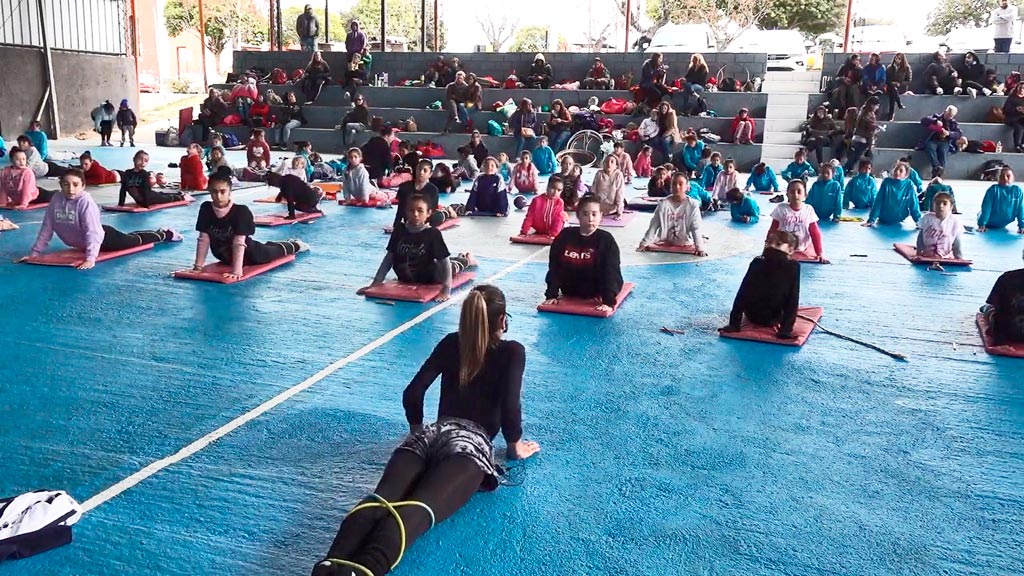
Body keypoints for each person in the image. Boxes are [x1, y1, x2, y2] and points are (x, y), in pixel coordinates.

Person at [312, 283, 539, 576]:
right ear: (502, 320)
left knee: (380, 498)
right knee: (417, 510)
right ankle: (365, 570)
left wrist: (416, 430)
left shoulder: (449, 342)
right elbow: (510, 407)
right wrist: (514, 446)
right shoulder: (512, 351)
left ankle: (331, 562)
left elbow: (414, 392)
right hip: (469, 446)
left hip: (431, 434)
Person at [22, 168, 181, 270]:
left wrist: (91, 258)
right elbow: (47, 228)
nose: (71, 189)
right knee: (130, 236)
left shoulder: (85, 202)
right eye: (66, 184)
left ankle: (165, 234)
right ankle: (158, 233)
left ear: (83, 186)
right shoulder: (56, 199)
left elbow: (93, 232)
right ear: (61, 185)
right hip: (87, 241)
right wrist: (34, 254)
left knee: (135, 240)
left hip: (105, 239)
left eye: (76, 185)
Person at [192, 171, 308, 280]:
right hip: (224, 256)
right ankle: (272, 245)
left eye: (223, 191)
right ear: (209, 190)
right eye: (214, 191)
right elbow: (203, 239)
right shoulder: (206, 208)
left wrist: (237, 272)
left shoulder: (241, 211)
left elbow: (239, 243)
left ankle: (296, 244)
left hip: (252, 255)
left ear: (230, 191)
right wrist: (198, 267)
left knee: (275, 252)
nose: (218, 196)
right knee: (268, 247)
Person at [360, 196, 475, 301]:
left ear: (428, 213)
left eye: (420, 211)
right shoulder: (399, 230)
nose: (415, 214)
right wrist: (376, 283)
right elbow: (389, 258)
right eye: (411, 210)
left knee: (451, 267)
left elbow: (444, 261)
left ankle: (466, 259)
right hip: (405, 278)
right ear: (406, 212)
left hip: (431, 277)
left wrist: (446, 289)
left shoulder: (432, 234)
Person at [544, 196, 624, 313]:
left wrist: (608, 301)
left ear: (601, 216)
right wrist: (551, 294)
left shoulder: (606, 241)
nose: (590, 218)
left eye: (594, 214)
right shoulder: (564, 236)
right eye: (586, 214)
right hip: (570, 290)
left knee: (611, 274)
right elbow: (555, 267)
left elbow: (611, 272)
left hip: (597, 290)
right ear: (578, 215)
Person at [719, 230, 801, 340]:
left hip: (775, 317)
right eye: (768, 242)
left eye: (778, 244)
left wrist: (786, 330)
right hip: (753, 314)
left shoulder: (793, 267)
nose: (771, 246)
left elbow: (793, 299)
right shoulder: (757, 263)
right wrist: (734, 324)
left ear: (790, 250)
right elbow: (742, 293)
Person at [638, 173, 706, 255]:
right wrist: (644, 243)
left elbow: (696, 228)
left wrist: (700, 248)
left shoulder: (692, 205)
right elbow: (654, 225)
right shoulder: (663, 204)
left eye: (680, 184)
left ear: (687, 187)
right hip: (666, 241)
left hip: (686, 242)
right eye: (674, 184)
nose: (677, 187)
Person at [769, 179, 828, 263]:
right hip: (783, 248)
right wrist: (767, 249)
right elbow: (773, 230)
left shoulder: (808, 210)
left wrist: (820, 253)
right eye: (792, 192)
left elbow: (815, 233)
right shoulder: (781, 209)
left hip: (802, 248)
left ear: (805, 195)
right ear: (787, 194)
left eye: (799, 191)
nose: (795, 195)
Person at [120, 150, 188, 208]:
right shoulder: (127, 173)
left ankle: (179, 196)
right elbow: (123, 189)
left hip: (150, 198)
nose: (143, 162)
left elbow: (146, 191)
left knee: (165, 199)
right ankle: (169, 194)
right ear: (134, 159)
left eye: (146, 161)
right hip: (142, 199)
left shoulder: (144, 174)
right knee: (159, 194)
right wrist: (121, 203)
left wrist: (146, 205)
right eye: (140, 159)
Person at [982, 253, 1024, 345]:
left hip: (1014, 329)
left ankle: (987, 307)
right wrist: (1000, 343)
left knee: (992, 307)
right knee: (991, 310)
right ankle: (986, 308)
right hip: (1013, 331)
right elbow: (1000, 313)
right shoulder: (1008, 279)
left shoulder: (1007, 278)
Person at [863, 163, 922, 227]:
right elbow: (878, 202)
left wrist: (919, 222)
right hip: (884, 217)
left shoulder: (909, 185)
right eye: (896, 169)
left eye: (901, 171)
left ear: (906, 174)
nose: (897, 172)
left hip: (899, 218)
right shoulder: (886, 183)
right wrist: (871, 220)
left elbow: (914, 205)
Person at [916, 192, 965, 260]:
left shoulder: (954, 221)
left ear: (951, 207)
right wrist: (918, 252)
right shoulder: (927, 218)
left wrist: (959, 257)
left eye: (945, 204)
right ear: (933, 205)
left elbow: (956, 241)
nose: (941, 206)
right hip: (927, 254)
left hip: (945, 256)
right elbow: (921, 236)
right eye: (937, 203)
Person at [395, 160, 441, 229]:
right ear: (416, 170)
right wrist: (396, 225)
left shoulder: (433, 190)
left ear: (430, 174)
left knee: (438, 215)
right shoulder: (404, 187)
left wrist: (426, 225)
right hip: (409, 218)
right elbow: (400, 209)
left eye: (425, 170)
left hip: (425, 219)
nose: (421, 172)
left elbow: (432, 210)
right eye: (419, 169)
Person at [977, 166, 1024, 233]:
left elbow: (1021, 209)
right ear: (998, 178)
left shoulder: (1017, 191)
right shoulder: (993, 190)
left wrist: (1022, 226)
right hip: (989, 221)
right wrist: (982, 224)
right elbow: (986, 208)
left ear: (1013, 178)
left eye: (1008, 176)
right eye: (1002, 176)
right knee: (982, 213)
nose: (1005, 178)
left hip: (1004, 222)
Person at [921, 105, 961, 179]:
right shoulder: (936, 116)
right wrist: (935, 121)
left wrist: (949, 133)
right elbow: (924, 120)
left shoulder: (953, 123)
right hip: (932, 140)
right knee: (930, 148)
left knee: (943, 153)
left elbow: (958, 134)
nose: (949, 117)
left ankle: (937, 173)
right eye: (948, 114)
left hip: (944, 141)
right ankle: (937, 168)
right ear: (945, 112)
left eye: (951, 116)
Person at [843, 97, 881, 174]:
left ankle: (848, 169)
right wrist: (875, 128)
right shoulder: (867, 114)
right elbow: (867, 125)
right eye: (876, 106)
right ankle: (848, 169)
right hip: (862, 138)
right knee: (862, 157)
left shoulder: (864, 111)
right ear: (872, 105)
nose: (877, 108)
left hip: (860, 138)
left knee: (856, 156)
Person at [886, 53, 911, 121]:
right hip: (891, 87)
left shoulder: (906, 68)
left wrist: (900, 84)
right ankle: (899, 104)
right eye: (896, 58)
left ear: (902, 60)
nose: (897, 60)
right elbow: (886, 80)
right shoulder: (889, 68)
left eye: (899, 59)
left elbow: (908, 80)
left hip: (901, 88)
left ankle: (891, 114)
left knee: (893, 93)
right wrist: (892, 83)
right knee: (892, 89)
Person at [1004, 83, 1024, 153]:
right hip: (1012, 118)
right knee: (1018, 126)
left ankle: (1023, 144)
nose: (1021, 90)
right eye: (1020, 88)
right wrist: (1016, 109)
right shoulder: (1012, 97)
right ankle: (1017, 145)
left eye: (1023, 88)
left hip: (1022, 118)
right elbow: (1005, 110)